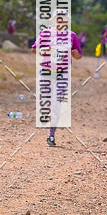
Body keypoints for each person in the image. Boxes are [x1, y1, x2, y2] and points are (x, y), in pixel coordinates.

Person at [32, 12, 82, 146]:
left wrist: (75, 54)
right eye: (58, 18)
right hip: (47, 71)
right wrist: (45, 50)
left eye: (64, 18)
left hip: (63, 73)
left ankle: (51, 135)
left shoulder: (72, 36)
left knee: (57, 104)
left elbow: (78, 55)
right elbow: (34, 49)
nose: (61, 21)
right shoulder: (46, 33)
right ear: (54, 20)